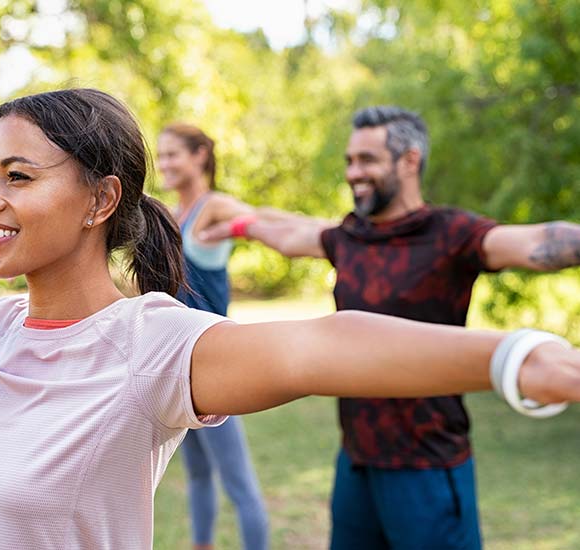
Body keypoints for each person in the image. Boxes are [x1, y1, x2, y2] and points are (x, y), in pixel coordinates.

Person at [0, 90, 580, 550]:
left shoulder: (151, 346)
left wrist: (516, 357)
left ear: (101, 199)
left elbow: (325, 343)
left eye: (19, 177)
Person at [199, 105, 580, 549]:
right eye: (349, 161)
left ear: (410, 160)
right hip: (357, 464)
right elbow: (290, 235)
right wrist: (239, 226)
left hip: (427, 467)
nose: (353, 172)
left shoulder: (450, 233)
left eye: (367, 160)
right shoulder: (348, 236)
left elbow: (535, 242)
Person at [157, 123, 268, 550]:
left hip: (217, 365)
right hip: (178, 366)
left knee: (238, 483)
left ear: (200, 155)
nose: (164, 164)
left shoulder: (215, 206)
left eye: (173, 155)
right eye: (161, 156)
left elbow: (260, 220)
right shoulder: (172, 215)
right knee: (199, 476)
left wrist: (236, 229)